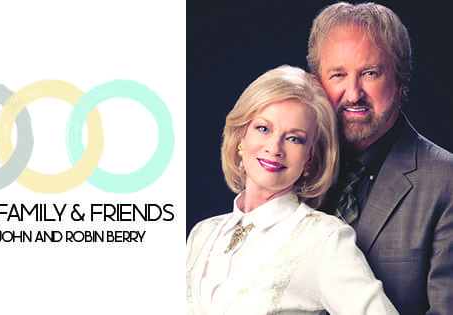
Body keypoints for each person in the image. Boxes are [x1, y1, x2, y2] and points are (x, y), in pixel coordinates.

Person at [186, 65, 396, 314]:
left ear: (310, 157)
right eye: (263, 128)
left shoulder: (324, 239)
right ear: (242, 136)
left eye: (294, 138)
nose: (274, 147)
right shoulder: (202, 234)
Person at [307, 3, 453, 313]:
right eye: (338, 75)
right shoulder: (297, 170)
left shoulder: (446, 182)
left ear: (400, 82)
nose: (353, 93)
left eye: (370, 73)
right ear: (317, 83)